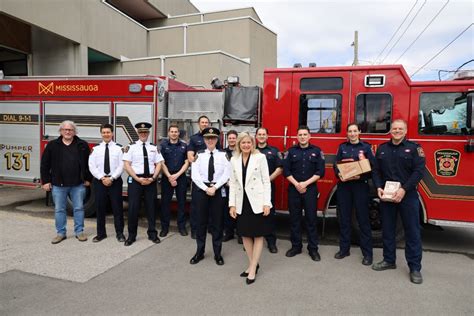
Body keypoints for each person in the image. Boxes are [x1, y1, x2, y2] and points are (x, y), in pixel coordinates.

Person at [372, 119, 426, 284]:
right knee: (388, 229)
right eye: (394, 128)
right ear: (390, 130)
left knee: (412, 232)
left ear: (405, 130)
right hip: (387, 196)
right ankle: (389, 260)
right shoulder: (382, 149)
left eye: (400, 129)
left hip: (407, 196)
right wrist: (378, 187)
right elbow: (376, 170)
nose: (396, 131)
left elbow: (419, 171)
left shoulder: (415, 149)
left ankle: (415, 267)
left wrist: (404, 189)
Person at [229, 132, 272, 285]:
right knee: (245, 234)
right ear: (239, 144)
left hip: (257, 201)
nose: (246, 145)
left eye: (249, 142)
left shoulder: (260, 158)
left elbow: (266, 181)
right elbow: (233, 183)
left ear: (252, 143)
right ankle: (253, 263)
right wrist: (232, 205)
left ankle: (252, 267)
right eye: (243, 143)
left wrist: (267, 203)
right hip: (241, 202)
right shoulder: (234, 160)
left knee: (258, 235)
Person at [40, 120, 92, 244]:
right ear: (61, 131)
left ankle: (79, 232)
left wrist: (88, 179)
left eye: (70, 129)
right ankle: (61, 233)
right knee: (59, 209)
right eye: (65, 129)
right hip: (58, 184)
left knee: (79, 208)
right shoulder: (52, 145)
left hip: (78, 184)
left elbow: (90, 164)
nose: (68, 131)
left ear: (74, 131)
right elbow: (45, 164)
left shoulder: (82, 145)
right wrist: (45, 181)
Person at [333, 123, 376, 265]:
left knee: (363, 219)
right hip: (344, 187)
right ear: (347, 133)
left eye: (354, 131)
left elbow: (372, 168)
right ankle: (344, 249)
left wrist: (361, 176)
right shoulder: (342, 147)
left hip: (360, 186)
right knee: (344, 219)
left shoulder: (366, 148)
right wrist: (340, 174)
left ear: (359, 132)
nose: (352, 134)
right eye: (350, 131)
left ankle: (367, 254)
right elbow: (336, 165)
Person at [189, 127, 230, 266]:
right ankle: (199, 252)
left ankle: (217, 253)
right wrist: (207, 188)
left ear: (217, 139)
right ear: (204, 140)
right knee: (201, 222)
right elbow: (195, 176)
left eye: (213, 138)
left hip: (217, 190)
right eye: (208, 138)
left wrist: (215, 187)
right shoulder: (199, 155)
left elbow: (227, 173)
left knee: (217, 223)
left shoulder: (223, 155)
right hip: (202, 190)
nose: (210, 140)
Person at [283, 126, 325, 261]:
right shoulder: (291, 152)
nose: (302, 137)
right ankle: (296, 246)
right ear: (297, 137)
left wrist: (305, 184)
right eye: (300, 135)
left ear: (309, 136)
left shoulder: (317, 151)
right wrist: (297, 184)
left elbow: (320, 172)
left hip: (310, 190)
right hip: (294, 189)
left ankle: (313, 249)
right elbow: (286, 171)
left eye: (305, 134)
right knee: (294, 219)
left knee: (311, 220)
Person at [122, 122, 164, 246]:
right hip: (136, 181)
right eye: (141, 132)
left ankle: (152, 234)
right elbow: (126, 165)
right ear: (137, 133)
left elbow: (159, 163)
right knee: (133, 209)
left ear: (149, 133)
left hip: (151, 181)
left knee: (151, 208)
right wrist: (137, 178)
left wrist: (154, 177)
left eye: (145, 132)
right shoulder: (131, 147)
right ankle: (131, 236)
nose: (143, 134)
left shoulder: (153, 147)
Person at [88, 123, 125, 242]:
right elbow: (91, 166)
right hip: (100, 182)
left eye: (108, 132)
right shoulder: (95, 149)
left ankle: (120, 233)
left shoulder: (119, 148)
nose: (106, 134)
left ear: (112, 133)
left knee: (117, 208)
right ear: (101, 133)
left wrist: (112, 178)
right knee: (100, 208)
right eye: (104, 132)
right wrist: (102, 178)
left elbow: (121, 165)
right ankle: (101, 234)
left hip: (115, 181)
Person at [187, 115, 221, 239]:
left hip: (212, 178)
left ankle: (211, 228)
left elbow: (219, 155)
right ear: (198, 123)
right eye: (203, 122)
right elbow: (190, 156)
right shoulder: (193, 139)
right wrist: (198, 163)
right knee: (196, 206)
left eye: (207, 122)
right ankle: (195, 230)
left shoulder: (215, 138)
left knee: (212, 207)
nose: (205, 124)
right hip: (199, 177)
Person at [255, 127, 283, 253]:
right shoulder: (251, 150)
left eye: (263, 134)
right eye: (259, 134)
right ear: (256, 136)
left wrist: (267, 181)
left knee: (269, 215)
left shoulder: (274, 151)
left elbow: (280, 168)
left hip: (268, 187)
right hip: (252, 189)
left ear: (267, 136)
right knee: (253, 215)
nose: (261, 136)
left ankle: (271, 242)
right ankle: (251, 242)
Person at [160, 124, 189, 237]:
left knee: (181, 203)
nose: (174, 133)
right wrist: (169, 176)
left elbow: (187, 163)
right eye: (172, 131)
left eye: (176, 131)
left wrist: (176, 175)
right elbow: (161, 163)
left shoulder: (184, 146)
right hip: (167, 178)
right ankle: (164, 228)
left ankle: (181, 227)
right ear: (168, 133)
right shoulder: (163, 145)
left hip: (180, 177)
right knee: (165, 204)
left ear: (178, 133)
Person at [222, 130, 239, 242]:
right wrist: (225, 182)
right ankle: (229, 233)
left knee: (240, 210)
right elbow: (220, 169)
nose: (232, 140)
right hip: (227, 185)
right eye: (230, 138)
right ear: (227, 139)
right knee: (227, 209)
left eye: (234, 138)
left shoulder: (241, 151)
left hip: (240, 186)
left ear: (237, 139)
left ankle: (241, 234)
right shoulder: (223, 153)